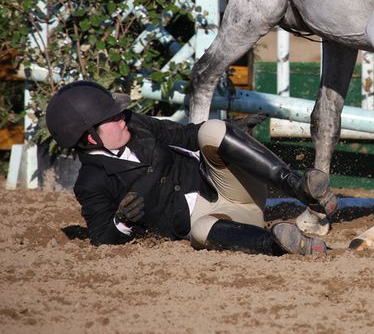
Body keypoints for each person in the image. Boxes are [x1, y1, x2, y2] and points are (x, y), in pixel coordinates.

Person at [44, 80, 337, 255]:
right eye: (111, 118)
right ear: (88, 137)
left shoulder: (136, 123)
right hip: (222, 220)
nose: (121, 117)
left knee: (211, 129)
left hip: (226, 183)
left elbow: (185, 135)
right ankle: (278, 244)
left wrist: (229, 132)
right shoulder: (90, 182)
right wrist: (122, 220)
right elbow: (102, 238)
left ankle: (300, 187)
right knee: (199, 232)